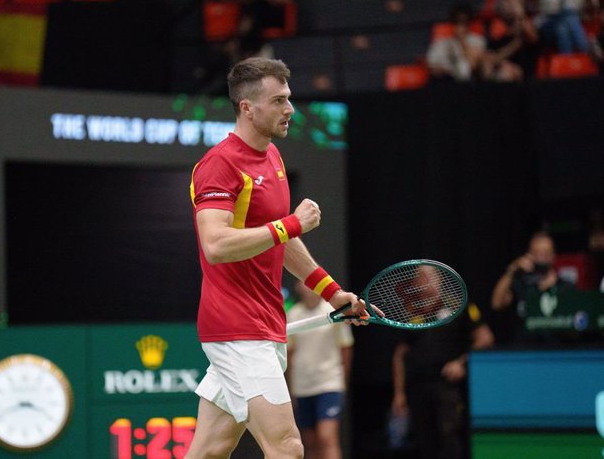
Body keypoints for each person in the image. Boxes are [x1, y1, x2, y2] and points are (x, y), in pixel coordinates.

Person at [186, 57, 380, 459]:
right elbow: (216, 245)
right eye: (278, 101)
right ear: (247, 108)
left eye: (289, 99)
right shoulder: (219, 165)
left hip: (263, 323)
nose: (290, 109)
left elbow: (280, 242)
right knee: (288, 447)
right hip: (237, 329)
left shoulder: (272, 158)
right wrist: (290, 224)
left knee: (209, 451)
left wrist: (331, 291)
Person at [390, 302, 495, 459]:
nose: (423, 284)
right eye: (419, 280)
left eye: (427, 279)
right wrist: (399, 393)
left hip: (448, 386)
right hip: (418, 387)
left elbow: (485, 339)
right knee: (425, 442)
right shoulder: (412, 313)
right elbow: (399, 355)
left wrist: (461, 363)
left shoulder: (459, 306)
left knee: (450, 437)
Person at [286, 281, 354, 459]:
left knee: (327, 436)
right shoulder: (293, 314)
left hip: (330, 383)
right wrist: (291, 389)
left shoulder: (333, 312)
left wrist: (342, 382)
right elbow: (290, 355)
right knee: (309, 441)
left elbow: (345, 349)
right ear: (298, 288)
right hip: (302, 386)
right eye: (303, 284)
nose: (308, 288)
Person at [490, 230, 575, 345]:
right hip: (524, 353)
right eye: (538, 253)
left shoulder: (566, 287)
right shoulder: (520, 284)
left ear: (553, 255)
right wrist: (512, 270)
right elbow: (497, 303)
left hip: (556, 353)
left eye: (546, 253)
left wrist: (553, 289)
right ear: (529, 255)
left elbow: (577, 326)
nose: (542, 257)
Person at [426, 2, 487, 83]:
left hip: (468, 82)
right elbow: (431, 64)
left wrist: (462, 42)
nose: (460, 26)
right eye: (457, 22)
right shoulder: (441, 43)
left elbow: (473, 64)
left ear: (469, 22)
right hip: (445, 81)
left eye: (464, 22)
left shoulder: (478, 40)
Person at [482, 0, 540, 81]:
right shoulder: (497, 33)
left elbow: (532, 37)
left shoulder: (528, 27)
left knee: (505, 73)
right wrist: (501, 61)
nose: (508, 5)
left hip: (524, 73)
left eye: (511, 2)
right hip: (501, 66)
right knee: (487, 66)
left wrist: (520, 14)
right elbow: (490, 57)